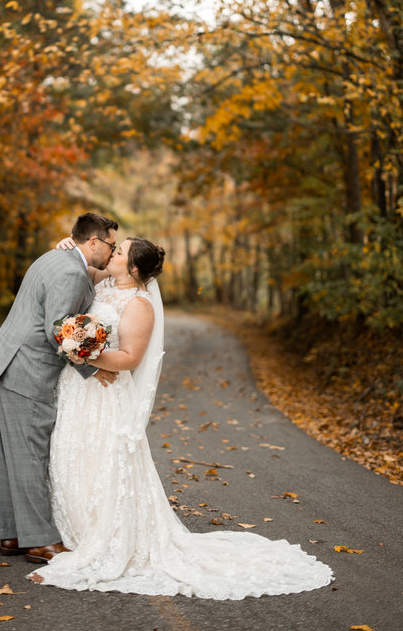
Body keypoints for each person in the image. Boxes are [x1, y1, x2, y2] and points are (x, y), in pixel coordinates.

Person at [28, 235, 334, 598]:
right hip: (77, 390)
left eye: (120, 251)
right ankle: (73, 530)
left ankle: (103, 539)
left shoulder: (140, 304)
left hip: (106, 395)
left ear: (135, 267)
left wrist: (82, 354)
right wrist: (65, 244)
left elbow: (130, 359)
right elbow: (78, 263)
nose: (113, 253)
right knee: (72, 457)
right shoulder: (102, 281)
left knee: (102, 463)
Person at [0, 212, 119, 564]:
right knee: (29, 454)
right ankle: (39, 540)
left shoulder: (54, 256)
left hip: (4, 359)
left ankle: (13, 534)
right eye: (111, 245)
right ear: (93, 242)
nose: (112, 252)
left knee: (10, 454)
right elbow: (58, 329)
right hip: (26, 368)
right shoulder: (72, 272)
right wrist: (92, 367)